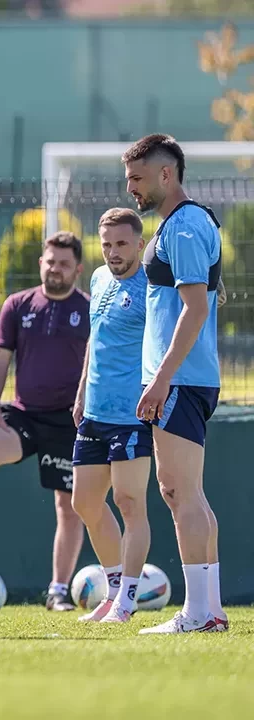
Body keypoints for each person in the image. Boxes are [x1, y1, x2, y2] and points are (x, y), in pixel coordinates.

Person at [0, 232, 90, 612]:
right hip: (24, 415)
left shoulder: (89, 308)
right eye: (50, 261)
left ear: (78, 269)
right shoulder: (17, 305)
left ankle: (58, 590)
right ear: (41, 262)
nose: (55, 268)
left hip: (70, 421)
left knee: (69, 507)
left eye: (63, 263)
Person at [122, 134, 226, 634]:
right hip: (187, 377)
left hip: (180, 380)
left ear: (167, 175)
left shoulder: (184, 226)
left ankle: (197, 613)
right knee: (191, 495)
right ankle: (211, 609)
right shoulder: (185, 225)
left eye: (138, 179)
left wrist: (160, 380)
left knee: (177, 491)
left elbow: (197, 306)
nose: (132, 190)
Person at [69, 208, 153, 624]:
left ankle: (130, 598)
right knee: (84, 501)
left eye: (121, 244)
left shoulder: (153, 286)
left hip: (132, 414)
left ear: (139, 243)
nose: (113, 252)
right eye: (106, 244)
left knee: (128, 502)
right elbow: (95, 339)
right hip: (95, 412)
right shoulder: (99, 279)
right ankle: (114, 588)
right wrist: (82, 392)